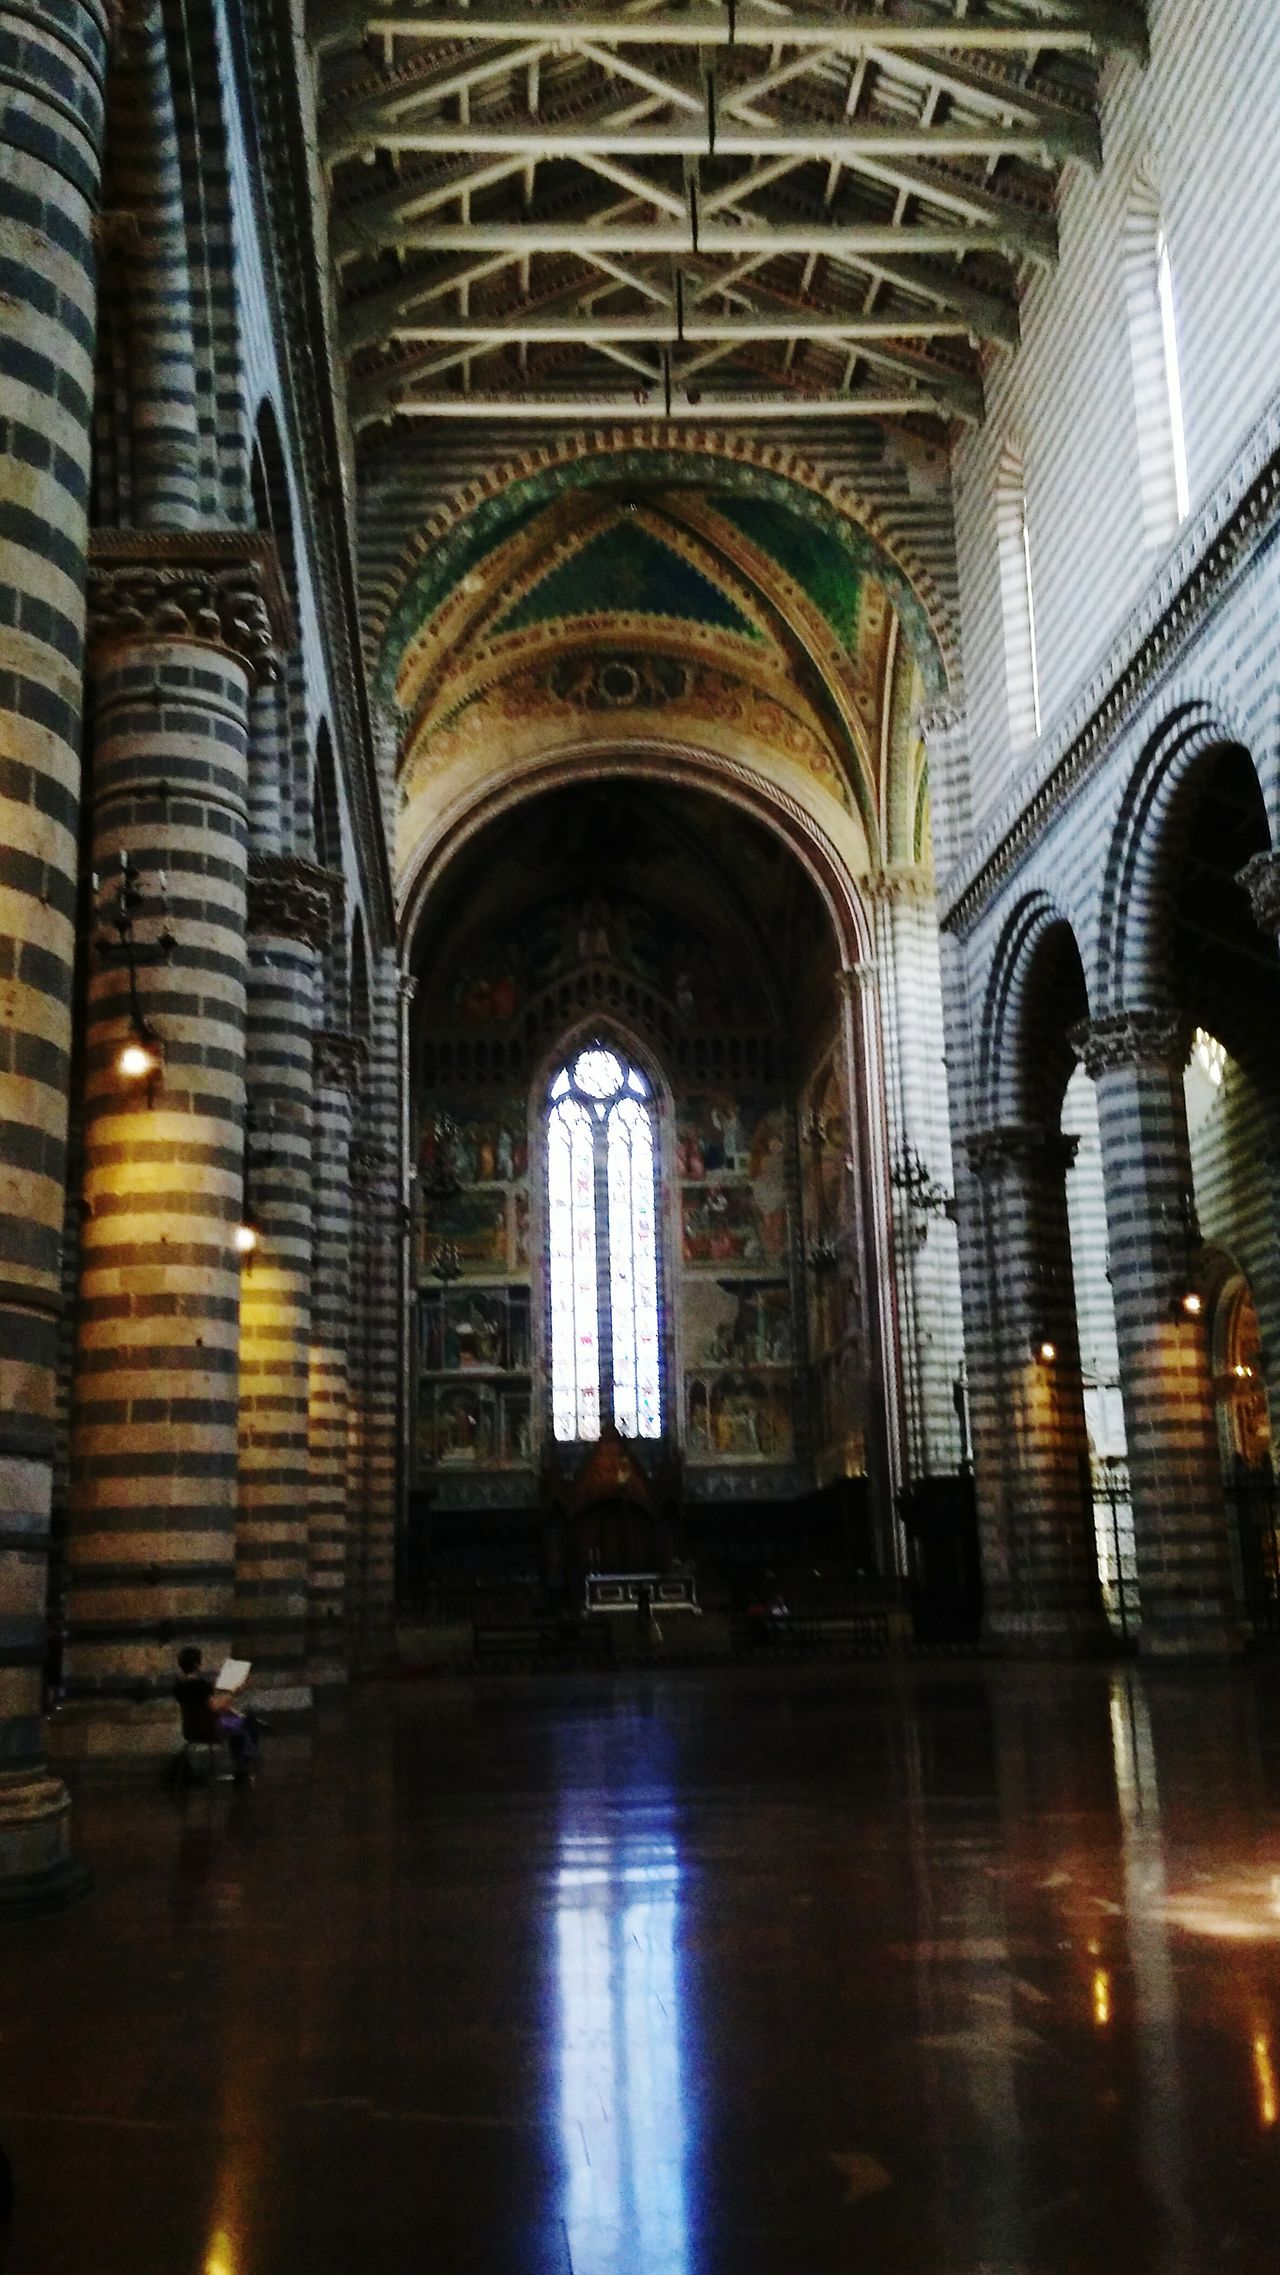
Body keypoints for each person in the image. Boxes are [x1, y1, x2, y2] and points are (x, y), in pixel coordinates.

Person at [173, 1646, 261, 1782]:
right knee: (247, 1723)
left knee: (239, 1723)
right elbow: (215, 1708)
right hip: (211, 1729)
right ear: (197, 1664)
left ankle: (244, 1766)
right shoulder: (201, 1685)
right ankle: (244, 1768)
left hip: (191, 1729)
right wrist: (234, 1692)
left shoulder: (178, 1685)